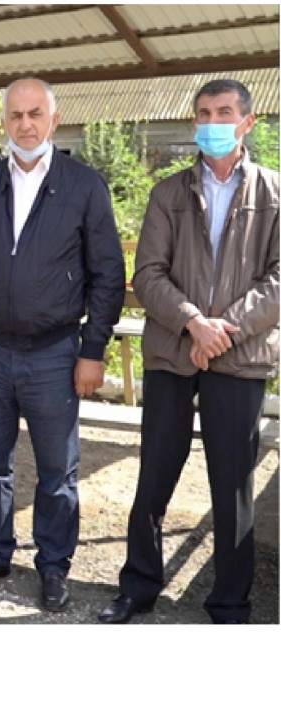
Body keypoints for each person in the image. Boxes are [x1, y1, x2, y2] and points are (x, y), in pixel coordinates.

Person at [99, 79, 279, 625]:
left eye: (224, 112)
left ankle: (229, 603)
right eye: (203, 113)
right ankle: (138, 586)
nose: (212, 123)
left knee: (232, 485)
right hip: (173, 353)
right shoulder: (167, 193)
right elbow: (148, 274)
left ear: (247, 122)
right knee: (155, 472)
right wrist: (193, 324)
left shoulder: (274, 194)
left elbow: (278, 281)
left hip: (240, 359)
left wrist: (223, 331)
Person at [0, 78, 124, 610]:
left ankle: (53, 566)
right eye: (15, 114)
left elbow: (108, 274)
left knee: (56, 470)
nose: (24, 124)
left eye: (35, 114)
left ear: (53, 119)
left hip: (53, 352)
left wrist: (92, 350)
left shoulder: (83, 185)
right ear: (4, 120)